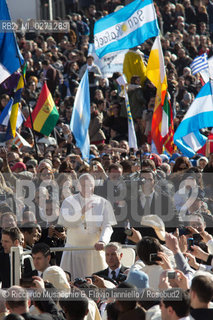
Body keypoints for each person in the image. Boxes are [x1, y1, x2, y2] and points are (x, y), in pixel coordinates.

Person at [58, 173, 117, 279]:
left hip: (94, 251)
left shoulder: (103, 203)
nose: (86, 188)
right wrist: (81, 213)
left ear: (93, 187)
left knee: (97, 286)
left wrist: (103, 241)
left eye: (89, 185)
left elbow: (107, 226)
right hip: (73, 252)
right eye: (83, 185)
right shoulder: (68, 202)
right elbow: (65, 222)